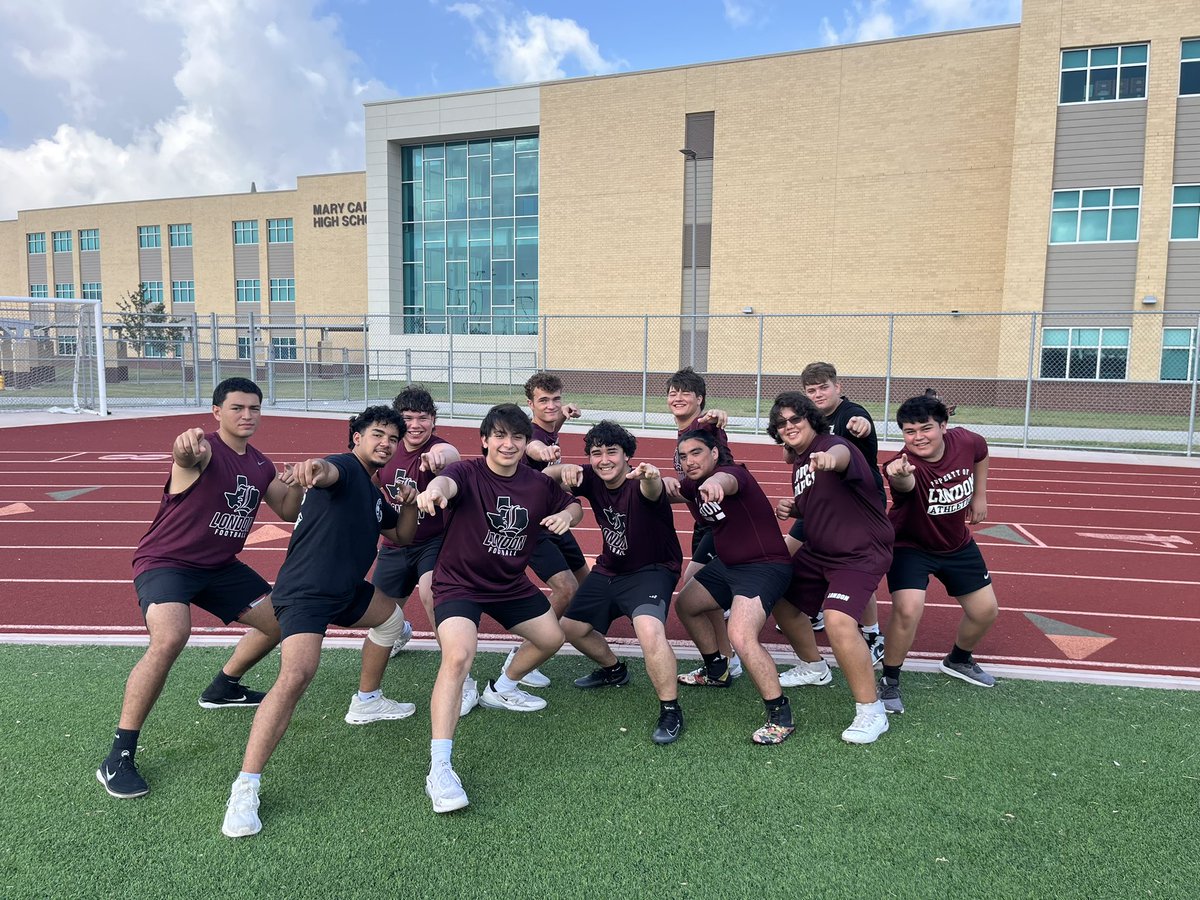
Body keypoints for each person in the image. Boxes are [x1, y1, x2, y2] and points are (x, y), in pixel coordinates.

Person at [96, 377, 303, 800]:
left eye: (254, 408)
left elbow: (288, 508)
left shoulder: (260, 465)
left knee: (283, 622)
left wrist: (302, 480)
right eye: (237, 408)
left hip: (219, 567)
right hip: (167, 562)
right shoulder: (204, 450)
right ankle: (119, 755)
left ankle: (224, 687)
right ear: (216, 412)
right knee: (171, 636)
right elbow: (184, 456)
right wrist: (184, 448)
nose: (247, 415)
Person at [221, 407, 420, 838]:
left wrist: (410, 503)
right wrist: (312, 468)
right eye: (377, 434)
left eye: (393, 438)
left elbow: (402, 535)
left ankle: (367, 701)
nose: (386, 443)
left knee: (391, 621)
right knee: (296, 676)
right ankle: (245, 787)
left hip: (347, 592)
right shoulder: (345, 468)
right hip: (306, 593)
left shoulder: (374, 491)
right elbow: (325, 470)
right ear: (357, 438)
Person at [416, 403, 582, 813]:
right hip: (459, 583)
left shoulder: (536, 484)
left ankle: (502, 687)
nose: (509, 444)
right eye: (501, 436)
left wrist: (567, 516)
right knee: (458, 657)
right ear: (485, 440)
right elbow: (445, 484)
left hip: (508, 585)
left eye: (518, 437)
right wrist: (434, 492)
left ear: (526, 443)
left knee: (552, 638)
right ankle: (440, 767)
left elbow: (572, 503)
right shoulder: (467, 473)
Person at [544, 421, 685, 744]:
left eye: (612, 452)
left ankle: (670, 709)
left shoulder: (640, 482)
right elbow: (539, 479)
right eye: (596, 453)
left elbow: (652, 489)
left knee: (649, 630)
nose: (604, 459)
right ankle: (614, 670)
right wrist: (563, 469)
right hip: (611, 568)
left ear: (626, 456)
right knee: (570, 628)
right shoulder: (592, 477)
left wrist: (651, 477)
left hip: (651, 570)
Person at [768, 393, 893, 744]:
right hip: (821, 550)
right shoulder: (800, 462)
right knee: (781, 598)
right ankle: (814, 667)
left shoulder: (831, 446)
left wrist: (827, 459)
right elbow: (823, 503)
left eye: (795, 419)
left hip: (860, 552)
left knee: (838, 620)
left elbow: (840, 457)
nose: (789, 426)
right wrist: (795, 508)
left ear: (811, 419)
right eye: (781, 423)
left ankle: (872, 711)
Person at [878, 394, 999, 716]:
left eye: (925, 428)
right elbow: (903, 483)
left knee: (986, 611)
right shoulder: (904, 464)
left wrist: (980, 495)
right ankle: (890, 679)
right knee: (908, 609)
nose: (918, 437)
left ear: (943, 426)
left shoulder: (965, 440)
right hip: (910, 547)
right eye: (909, 431)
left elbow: (981, 452)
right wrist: (898, 473)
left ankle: (958, 659)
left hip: (956, 544)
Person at [673, 430, 796, 744]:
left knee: (740, 635)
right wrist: (645, 479)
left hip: (764, 567)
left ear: (714, 453)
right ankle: (717, 671)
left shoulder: (733, 473)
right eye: (684, 456)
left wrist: (715, 484)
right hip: (728, 566)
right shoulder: (692, 484)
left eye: (696, 453)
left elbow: (726, 481)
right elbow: (668, 489)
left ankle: (780, 714)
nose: (689, 461)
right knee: (686, 604)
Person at [370, 385, 475, 715]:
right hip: (395, 543)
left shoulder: (438, 449)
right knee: (379, 612)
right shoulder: (387, 449)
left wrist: (439, 459)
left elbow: (450, 455)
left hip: (434, 541)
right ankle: (400, 631)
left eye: (423, 418)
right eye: (408, 418)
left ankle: (462, 677)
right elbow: (373, 482)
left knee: (432, 593)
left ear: (433, 420)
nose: (415, 425)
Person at [784, 361, 886, 668]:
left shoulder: (850, 414)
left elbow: (858, 427)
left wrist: (861, 426)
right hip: (821, 501)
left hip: (856, 503)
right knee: (792, 554)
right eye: (811, 390)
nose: (818, 395)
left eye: (823, 388)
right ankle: (812, 609)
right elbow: (789, 453)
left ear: (838, 387)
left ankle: (873, 634)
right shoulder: (810, 419)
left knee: (854, 565)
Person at [660, 366, 742, 685]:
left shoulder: (703, 427)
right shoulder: (684, 433)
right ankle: (726, 658)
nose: (678, 397)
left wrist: (716, 416)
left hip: (723, 520)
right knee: (703, 591)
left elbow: (714, 426)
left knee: (695, 587)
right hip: (704, 521)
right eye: (673, 393)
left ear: (700, 399)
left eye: (686, 393)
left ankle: (726, 658)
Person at [511, 371, 590, 688]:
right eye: (543, 400)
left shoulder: (549, 426)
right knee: (567, 589)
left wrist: (563, 417)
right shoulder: (530, 436)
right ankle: (524, 654)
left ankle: (584, 629)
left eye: (556, 399)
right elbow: (534, 446)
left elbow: (550, 429)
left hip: (554, 517)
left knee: (587, 583)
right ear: (529, 403)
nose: (551, 406)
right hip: (531, 525)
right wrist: (542, 453)